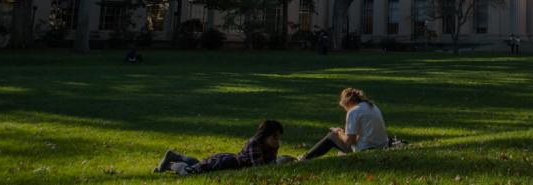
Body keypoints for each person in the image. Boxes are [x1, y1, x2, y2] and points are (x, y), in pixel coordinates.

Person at [154, 119, 283, 175]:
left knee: (199, 164)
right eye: (274, 137)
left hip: (231, 161)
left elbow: (271, 164)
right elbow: (260, 168)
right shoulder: (254, 143)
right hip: (226, 163)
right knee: (190, 172)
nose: (277, 140)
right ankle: (169, 165)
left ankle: (175, 156)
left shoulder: (272, 145)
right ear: (264, 136)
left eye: (278, 137)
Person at [299, 87, 388, 159]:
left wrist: (339, 132)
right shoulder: (371, 105)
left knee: (331, 136)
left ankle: (305, 158)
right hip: (382, 145)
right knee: (340, 146)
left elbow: (348, 141)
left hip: (365, 149)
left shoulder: (353, 111)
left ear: (347, 102)